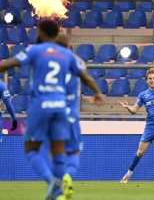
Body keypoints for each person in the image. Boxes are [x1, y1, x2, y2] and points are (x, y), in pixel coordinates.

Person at [0, 19, 104, 200]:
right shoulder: (67, 55)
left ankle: (51, 180)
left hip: (40, 106)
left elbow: (8, 64)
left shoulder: (35, 50)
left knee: (31, 149)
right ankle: (58, 193)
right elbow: (85, 76)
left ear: (42, 33)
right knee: (58, 153)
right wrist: (97, 92)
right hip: (61, 108)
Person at [54, 33, 84, 200]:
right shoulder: (75, 65)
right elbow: (83, 66)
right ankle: (68, 176)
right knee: (74, 153)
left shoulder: (48, 65)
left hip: (54, 116)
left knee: (55, 155)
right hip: (71, 117)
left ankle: (58, 192)